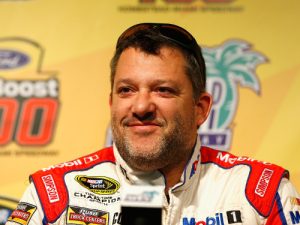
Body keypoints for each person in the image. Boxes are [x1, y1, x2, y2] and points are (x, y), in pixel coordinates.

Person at [6, 23, 299, 225]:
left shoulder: (263, 193)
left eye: (163, 90)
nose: (141, 106)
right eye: (126, 90)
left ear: (201, 108)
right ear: (111, 103)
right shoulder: (52, 195)